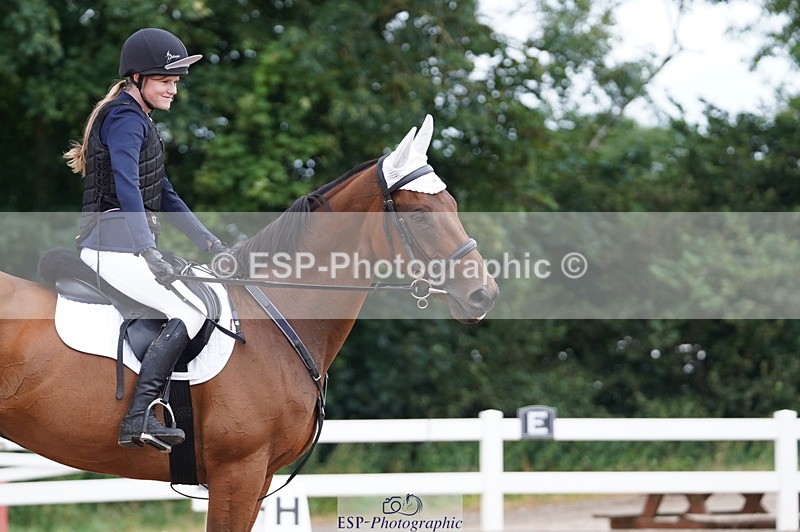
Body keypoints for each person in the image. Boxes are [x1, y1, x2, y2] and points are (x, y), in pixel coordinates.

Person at [64, 28, 227, 450]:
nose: (174, 89)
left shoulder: (138, 119)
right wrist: (146, 248)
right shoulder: (123, 118)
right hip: (110, 245)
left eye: (175, 81)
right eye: (165, 81)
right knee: (188, 313)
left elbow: (164, 193)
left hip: (123, 242)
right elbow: (127, 185)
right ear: (137, 78)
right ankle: (138, 418)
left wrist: (210, 243)